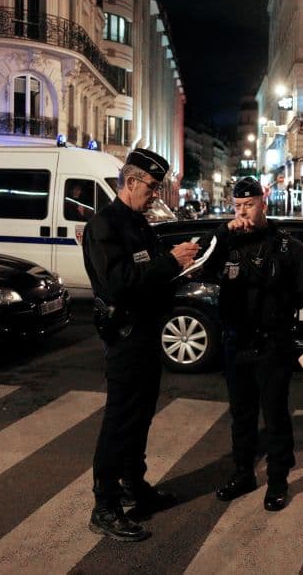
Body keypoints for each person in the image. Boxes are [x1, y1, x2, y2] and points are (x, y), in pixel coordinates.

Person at [82, 148, 200, 542]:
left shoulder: (138, 223)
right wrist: (170, 262)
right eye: (152, 187)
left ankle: (134, 486)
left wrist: (183, 268)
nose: (156, 195)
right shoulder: (106, 225)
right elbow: (120, 282)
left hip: (146, 335)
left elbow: (149, 276)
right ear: (130, 182)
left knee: (141, 417)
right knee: (120, 422)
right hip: (125, 338)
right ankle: (105, 505)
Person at [199, 176, 303, 512]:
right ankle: (243, 474)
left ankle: (278, 481)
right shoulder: (226, 242)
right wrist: (223, 233)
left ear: (263, 203)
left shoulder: (286, 247)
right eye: (238, 206)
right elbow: (201, 264)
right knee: (241, 415)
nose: (243, 212)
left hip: (272, 344)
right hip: (235, 342)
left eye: (250, 205)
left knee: (274, 416)